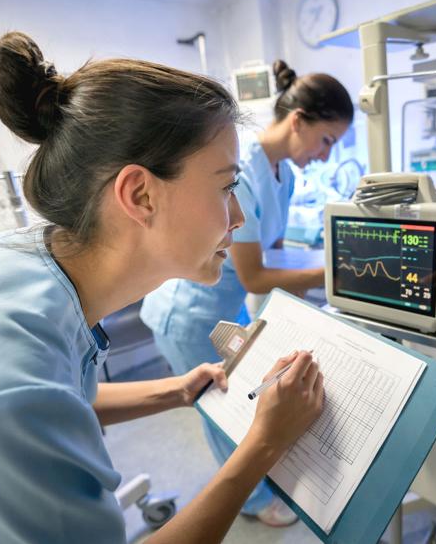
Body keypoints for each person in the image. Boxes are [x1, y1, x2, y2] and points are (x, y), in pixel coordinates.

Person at [0, 32, 324, 544]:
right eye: (225, 187)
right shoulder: (0, 385)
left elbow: (58, 395)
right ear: (140, 194)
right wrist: (262, 446)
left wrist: (175, 390)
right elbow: (20, 398)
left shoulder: (32, 265)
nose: (239, 216)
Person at [140, 60, 352, 526]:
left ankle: (256, 471)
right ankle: (253, 502)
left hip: (224, 305)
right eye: (326, 141)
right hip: (190, 312)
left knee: (243, 396)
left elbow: (271, 258)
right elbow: (256, 275)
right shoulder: (246, 171)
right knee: (219, 406)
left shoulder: (287, 175)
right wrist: (336, 275)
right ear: (298, 122)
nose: (325, 155)